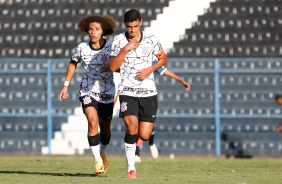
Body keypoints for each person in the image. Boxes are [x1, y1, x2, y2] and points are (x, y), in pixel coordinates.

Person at [109, 9, 167, 178]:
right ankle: (130, 169)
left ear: (140, 22)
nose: (132, 30)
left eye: (135, 26)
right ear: (125, 25)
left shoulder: (152, 40)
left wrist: (151, 69)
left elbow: (163, 59)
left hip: (148, 92)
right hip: (128, 91)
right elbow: (112, 67)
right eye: (129, 27)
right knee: (131, 127)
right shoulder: (119, 41)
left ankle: (143, 139)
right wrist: (125, 49)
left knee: (144, 134)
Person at [59, 14, 117, 174]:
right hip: (87, 91)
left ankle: (103, 151)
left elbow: (119, 66)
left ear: (103, 31)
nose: (93, 32)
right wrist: (65, 85)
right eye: (90, 29)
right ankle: (97, 160)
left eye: (96, 29)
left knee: (105, 129)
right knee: (92, 122)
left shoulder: (112, 48)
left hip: (107, 93)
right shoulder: (81, 48)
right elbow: (73, 63)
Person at [134, 60, 191, 162]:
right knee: (134, 125)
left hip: (147, 97)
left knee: (146, 125)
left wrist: (181, 80)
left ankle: (151, 142)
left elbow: (164, 70)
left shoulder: (149, 58)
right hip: (132, 96)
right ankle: (136, 154)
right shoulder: (130, 57)